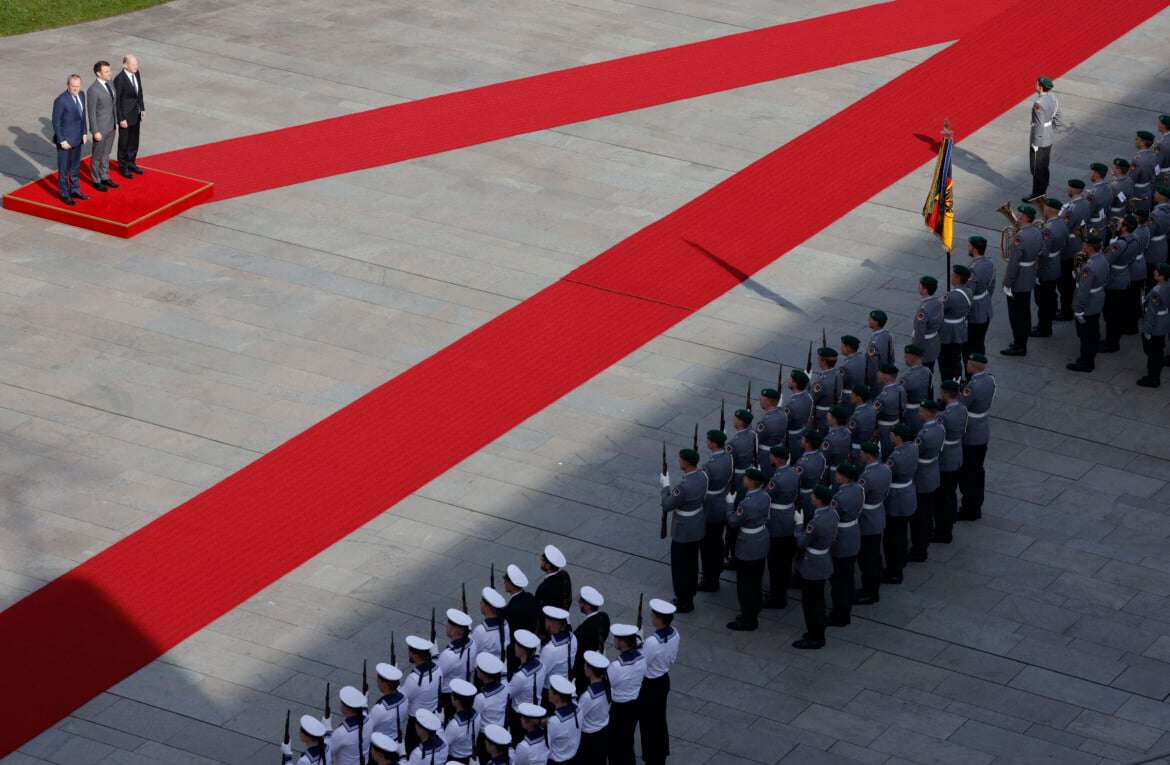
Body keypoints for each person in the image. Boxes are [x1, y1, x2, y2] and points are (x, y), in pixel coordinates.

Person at [660, 447, 707, 613]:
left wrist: (666, 486)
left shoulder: (683, 487)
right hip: (697, 525)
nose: (679, 462)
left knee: (681, 567)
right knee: (692, 564)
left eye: (680, 460)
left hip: (683, 530)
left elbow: (667, 504)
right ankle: (689, 594)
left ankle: (683, 600)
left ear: (686, 464)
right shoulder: (702, 476)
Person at [792, 485, 838, 649]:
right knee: (817, 600)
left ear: (818, 500)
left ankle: (815, 637)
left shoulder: (815, 522)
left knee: (811, 604)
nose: (811, 497)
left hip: (813, 563)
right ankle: (816, 632)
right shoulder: (832, 513)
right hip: (823, 559)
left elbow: (801, 542)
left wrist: (798, 525)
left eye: (813, 496)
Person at [725, 467, 769, 631]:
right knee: (756, 580)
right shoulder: (765, 496)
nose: (743, 480)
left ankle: (748, 619)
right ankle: (754, 608)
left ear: (751, 483)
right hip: (761, 540)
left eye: (745, 478)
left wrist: (730, 505)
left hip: (748, 544)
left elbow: (733, 522)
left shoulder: (746, 503)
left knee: (745, 584)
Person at [639, 599, 679, 765]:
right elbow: (672, 658)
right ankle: (660, 753)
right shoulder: (675, 633)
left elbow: (641, 664)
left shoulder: (652, 642)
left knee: (648, 723)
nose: (651, 616)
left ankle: (652, 756)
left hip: (650, 684)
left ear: (659, 619)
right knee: (659, 719)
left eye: (653, 615)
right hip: (663, 679)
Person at [957, 355, 996, 520]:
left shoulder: (972, 386)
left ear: (974, 366)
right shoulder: (989, 380)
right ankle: (975, 505)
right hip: (983, 428)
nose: (966, 365)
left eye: (968, 363)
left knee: (968, 473)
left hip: (971, 432)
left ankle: (970, 508)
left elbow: (962, 404)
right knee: (978, 471)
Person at [1001, 204, 1043, 356]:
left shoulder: (1020, 237)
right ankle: (1022, 341)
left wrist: (1008, 283)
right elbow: (1041, 251)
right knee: (1025, 312)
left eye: (1018, 216)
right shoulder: (1038, 231)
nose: (1016, 217)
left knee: (1016, 315)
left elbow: (1013, 264)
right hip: (1030, 275)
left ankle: (1019, 345)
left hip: (1019, 280)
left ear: (1024, 218)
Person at [762, 444, 798, 609]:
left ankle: (777, 597)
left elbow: (766, 497)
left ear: (776, 459)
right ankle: (779, 592)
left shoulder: (777, 479)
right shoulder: (792, 472)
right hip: (789, 518)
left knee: (776, 563)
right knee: (784, 561)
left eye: (771, 456)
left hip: (777, 522)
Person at [827, 463, 862, 627]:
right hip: (853, 533)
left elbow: (832, 518)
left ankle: (840, 614)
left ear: (842, 477)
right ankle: (847, 606)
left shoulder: (839, 498)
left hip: (841, 538)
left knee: (839, 580)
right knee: (848, 576)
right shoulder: (858, 489)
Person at [882, 423, 918, 583]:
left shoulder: (894, 458)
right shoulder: (912, 448)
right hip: (908, 494)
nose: (890, 435)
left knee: (892, 538)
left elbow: (885, 476)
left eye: (892, 434)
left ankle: (894, 571)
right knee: (901, 533)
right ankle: (900, 561)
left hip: (896, 499)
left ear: (898, 437)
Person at [854, 442, 889, 605]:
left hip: (867, 520)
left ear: (868, 455)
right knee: (874, 556)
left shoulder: (866, 477)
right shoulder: (884, 469)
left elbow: (858, 498)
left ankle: (870, 592)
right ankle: (872, 588)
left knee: (867, 559)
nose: (859, 455)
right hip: (878, 515)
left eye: (861, 453)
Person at [605, 624, 645, 765]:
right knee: (627, 741)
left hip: (619, 709)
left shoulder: (616, 667)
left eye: (616, 639)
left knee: (615, 746)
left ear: (621, 643)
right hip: (634, 704)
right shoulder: (642, 658)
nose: (614, 641)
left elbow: (606, 686)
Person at [1067, 236, 1108, 372]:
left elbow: (1083, 292)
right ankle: (1088, 358)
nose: (1083, 247)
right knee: (1093, 331)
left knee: (1086, 336)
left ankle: (1086, 363)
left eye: (1084, 245)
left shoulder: (1089, 268)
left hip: (1088, 303)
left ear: (1090, 248)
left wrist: (1078, 309)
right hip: (1097, 299)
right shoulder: (1102, 259)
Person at [933, 381, 968, 544]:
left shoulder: (944, 416)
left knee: (943, 497)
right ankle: (950, 520)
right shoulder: (962, 408)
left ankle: (943, 531)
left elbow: (937, 436)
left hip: (946, 458)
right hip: (957, 455)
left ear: (946, 394)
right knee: (951, 492)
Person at [909, 401, 943, 563]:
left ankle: (919, 549)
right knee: (928, 510)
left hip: (922, 476)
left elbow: (914, 454)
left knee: (920, 515)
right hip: (932, 473)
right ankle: (926, 536)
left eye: (920, 411)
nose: (918, 413)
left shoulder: (923, 435)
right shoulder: (939, 427)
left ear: (927, 413)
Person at [698, 429, 732, 591]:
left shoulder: (709, 466)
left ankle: (709, 579)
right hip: (723, 502)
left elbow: (701, 485)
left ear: (712, 443)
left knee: (708, 546)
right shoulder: (728, 458)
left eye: (708, 440)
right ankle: (716, 571)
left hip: (710, 507)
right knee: (718, 540)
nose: (707, 442)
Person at [51, 74, 89, 205]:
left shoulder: (82, 95)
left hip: (78, 138)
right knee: (64, 169)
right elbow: (56, 122)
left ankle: (74, 190)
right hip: (66, 141)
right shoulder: (61, 100)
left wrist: (84, 132)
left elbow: (83, 116)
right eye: (73, 86)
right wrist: (62, 140)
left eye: (78, 86)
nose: (76, 89)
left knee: (75, 167)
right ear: (68, 85)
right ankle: (64, 193)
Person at [1033, 198, 1068, 337]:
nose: (1043, 209)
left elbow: (1043, 251)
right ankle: (1049, 319)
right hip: (1056, 261)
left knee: (1043, 299)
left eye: (1045, 207)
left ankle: (1044, 327)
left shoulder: (1048, 229)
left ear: (1049, 209)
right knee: (1051, 295)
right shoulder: (1061, 223)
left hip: (1046, 267)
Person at [1100, 216, 1135, 353]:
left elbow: (1107, 260)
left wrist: (1109, 246)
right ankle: (1112, 340)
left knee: (1111, 314)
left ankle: (1111, 343)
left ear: (1125, 227)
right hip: (1124, 275)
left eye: (1120, 224)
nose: (1117, 225)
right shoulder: (1134, 238)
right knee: (1117, 313)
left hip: (1114, 280)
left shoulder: (1119, 244)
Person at [402, 635, 441, 755]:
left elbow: (403, 697)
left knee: (412, 754)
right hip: (431, 716)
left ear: (414, 654)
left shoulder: (414, 678)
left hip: (416, 724)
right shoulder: (437, 668)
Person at [1058, 180, 1091, 319]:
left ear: (1072, 190)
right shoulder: (1084, 203)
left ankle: (1066, 311)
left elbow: (1062, 228)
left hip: (1069, 247)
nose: (1067, 188)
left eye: (1068, 187)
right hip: (1079, 242)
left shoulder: (1070, 210)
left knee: (1065, 282)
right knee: (1072, 279)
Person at [438, 609, 477, 719]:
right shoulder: (472, 643)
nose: (445, 626)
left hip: (449, 697)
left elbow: (437, 675)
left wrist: (435, 656)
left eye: (448, 625)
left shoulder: (449, 655)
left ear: (453, 631)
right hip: (463, 689)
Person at [86, 61, 119, 192]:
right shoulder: (93, 90)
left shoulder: (110, 83)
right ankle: (96, 179)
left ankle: (105, 176)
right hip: (100, 128)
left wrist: (116, 122)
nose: (110, 73)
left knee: (106, 153)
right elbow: (91, 112)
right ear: (98, 73)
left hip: (111, 125)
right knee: (97, 155)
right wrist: (95, 131)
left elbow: (114, 105)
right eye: (106, 71)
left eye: (109, 70)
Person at [1026, 75, 1061, 199]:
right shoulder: (1052, 98)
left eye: (1036, 84)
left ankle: (1037, 195)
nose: (1035, 85)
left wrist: (1035, 142)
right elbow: (1058, 114)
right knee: (1044, 166)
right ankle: (1043, 191)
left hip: (1040, 140)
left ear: (1040, 87)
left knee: (1036, 168)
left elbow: (1039, 124)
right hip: (1048, 137)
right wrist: (1052, 130)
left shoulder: (1038, 103)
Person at [507, 630, 545, 741]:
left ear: (522, 650)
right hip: (537, 711)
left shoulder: (520, 677)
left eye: (516, 645)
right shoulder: (542, 665)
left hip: (520, 718)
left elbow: (507, 694)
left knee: (519, 742)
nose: (514, 647)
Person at [964, 236, 996, 363]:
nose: (968, 247)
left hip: (975, 313)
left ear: (974, 248)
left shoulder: (973, 269)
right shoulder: (989, 263)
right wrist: (985, 299)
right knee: (979, 343)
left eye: (969, 245)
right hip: (986, 308)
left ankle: (971, 374)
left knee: (970, 346)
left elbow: (969, 293)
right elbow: (992, 286)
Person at [571, 586, 609, 693]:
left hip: (583, 668)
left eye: (580, 601)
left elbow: (576, 650)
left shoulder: (583, 630)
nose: (578, 603)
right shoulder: (604, 617)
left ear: (587, 606)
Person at [113, 53, 145, 177]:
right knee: (124, 142)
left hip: (136, 113)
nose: (136, 66)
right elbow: (117, 100)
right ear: (125, 65)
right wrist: (121, 119)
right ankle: (123, 166)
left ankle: (131, 162)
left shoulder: (136, 73)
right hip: (125, 116)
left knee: (134, 140)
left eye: (136, 64)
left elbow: (139, 91)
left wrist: (142, 108)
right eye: (133, 64)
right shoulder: (120, 79)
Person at [1138, 263, 1170, 387]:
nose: (1154, 273)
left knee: (1154, 352)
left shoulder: (1157, 291)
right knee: (1158, 350)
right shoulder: (1166, 285)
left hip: (1156, 324)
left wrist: (1147, 330)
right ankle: (1154, 375)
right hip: (1164, 320)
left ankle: (1153, 378)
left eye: (1156, 272)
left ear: (1162, 276)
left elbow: (1151, 313)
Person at [576, 651, 611, 765]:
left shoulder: (588, 696)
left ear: (591, 671)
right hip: (603, 732)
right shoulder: (607, 687)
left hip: (589, 738)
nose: (584, 667)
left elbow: (578, 717)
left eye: (586, 665)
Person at [501, 564, 538, 674]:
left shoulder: (508, 610)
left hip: (515, 651)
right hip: (531, 645)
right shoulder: (530, 597)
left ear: (512, 585)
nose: (504, 583)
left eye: (506, 581)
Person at [939, 265, 972, 381]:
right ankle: (957, 381)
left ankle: (948, 387)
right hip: (960, 329)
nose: (951, 277)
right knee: (956, 359)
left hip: (948, 333)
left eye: (953, 275)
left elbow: (939, 308)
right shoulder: (968, 291)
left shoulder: (950, 297)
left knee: (945, 362)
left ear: (957, 279)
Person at [327, 685, 371, 765]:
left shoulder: (341, 733)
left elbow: (328, 751)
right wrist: (363, 703)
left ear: (345, 708)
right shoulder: (370, 721)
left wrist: (327, 731)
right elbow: (364, 714)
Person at [539, 606, 577, 698]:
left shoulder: (550, 649)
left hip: (550, 692)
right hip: (565, 684)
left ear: (550, 624)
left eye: (546, 621)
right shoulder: (573, 637)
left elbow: (540, 673)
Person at [443, 679, 480, 765]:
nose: (451, 696)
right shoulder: (477, 715)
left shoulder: (454, 725)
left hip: (454, 760)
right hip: (468, 757)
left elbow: (444, 744)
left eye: (452, 694)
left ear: (457, 701)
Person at [546, 675, 581, 764]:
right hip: (574, 757)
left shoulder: (554, 721)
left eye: (551, 690)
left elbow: (545, 745)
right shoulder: (579, 709)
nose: (548, 691)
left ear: (557, 697)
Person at [872, 364, 905, 457]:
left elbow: (872, 414)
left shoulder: (882, 398)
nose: (877, 374)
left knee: (885, 455)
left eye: (879, 372)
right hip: (896, 425)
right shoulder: (900, 389)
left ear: (885, 377)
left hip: (884, 431)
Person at [370, 663, 408, 743]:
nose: (377, 681)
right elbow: (399, 689)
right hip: (395, 740)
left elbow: (367, 726)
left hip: (380, 745)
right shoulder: (405, 698)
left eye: (379, 679)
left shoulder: (380, 708)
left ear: (385, 684)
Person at [754, 387, 787, 478]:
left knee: (765, 478)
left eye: (761, 399)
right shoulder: (782, 414)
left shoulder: (766, 421)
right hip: (777, 450)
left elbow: (756, 440)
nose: (759, 400)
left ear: (767, 402)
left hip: (766, 456)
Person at [900, 345, 932, 437]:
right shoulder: (928, 371)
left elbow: (900, 397)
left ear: (910, 358)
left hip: (910, 415)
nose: (904, 358)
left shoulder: (907, 378)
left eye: (905, 356)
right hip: (924, 410)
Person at [912, 276, 943, 372]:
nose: (918, 287)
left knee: (923, 373)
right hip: (934, 343)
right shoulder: (938, 302)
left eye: (920, 286)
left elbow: (920, 332)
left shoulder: (923, 309)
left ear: (925, 290)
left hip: (925, 346)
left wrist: (916, 351)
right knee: (930, 371)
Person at [472, 587, 510, 663]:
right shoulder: (505, 623)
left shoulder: (480, 631)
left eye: (482, 601)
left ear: (487, 608)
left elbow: (472, 652)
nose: (480, 603)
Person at [534, 545, 572, 619]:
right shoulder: (565, 575)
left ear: (548, 566)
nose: (541, 561)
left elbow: (538, 612)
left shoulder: (543, 588)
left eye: (542, 560)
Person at [783, 370, 814, 461]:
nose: (788, 381)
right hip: (802, 432)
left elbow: (783, 423)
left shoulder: (790, 406)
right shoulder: (808, 397)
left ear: (795, 384)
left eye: (791, 380)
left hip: (792, 439)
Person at [810, 347, 841, 434]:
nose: (817, 359)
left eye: (819, 358)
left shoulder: (822, 381)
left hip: (822, 415)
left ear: (823, 362)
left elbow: (813, 398)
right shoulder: (837, 373)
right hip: (832, 408)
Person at [865, 310, 894, 389]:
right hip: (886, 376)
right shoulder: (887, 335)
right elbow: (891, 357)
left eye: (870, 319)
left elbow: (872, 367)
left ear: (876, 323)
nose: (868, 319)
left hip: (877, 382)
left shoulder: (874, 344)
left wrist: (869, 383)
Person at [1133, 131, 1158, 209]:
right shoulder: (1154, 155)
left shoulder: (1137, 160)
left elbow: (1131, 179)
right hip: (1147, 189)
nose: (1135, 140)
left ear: (1143, 143)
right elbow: (1155, 173)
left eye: (1137, 139)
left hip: (1137, 192)